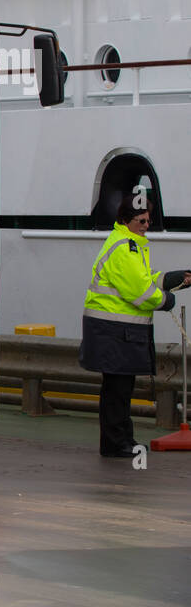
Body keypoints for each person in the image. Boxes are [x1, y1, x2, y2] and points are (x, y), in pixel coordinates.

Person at [80, 195, 191, 457]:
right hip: (113, 332)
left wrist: (170, 279)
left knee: (120, 388)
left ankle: (122, 440)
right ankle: (116, 443)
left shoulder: (129, 245)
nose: (145, 225)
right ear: (125, 220)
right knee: (117, 390)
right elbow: (140, 292)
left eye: (148, 221)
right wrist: (166, 300)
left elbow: (144, 279)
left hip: (114, 331)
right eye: (141, 220)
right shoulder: (124, 248)